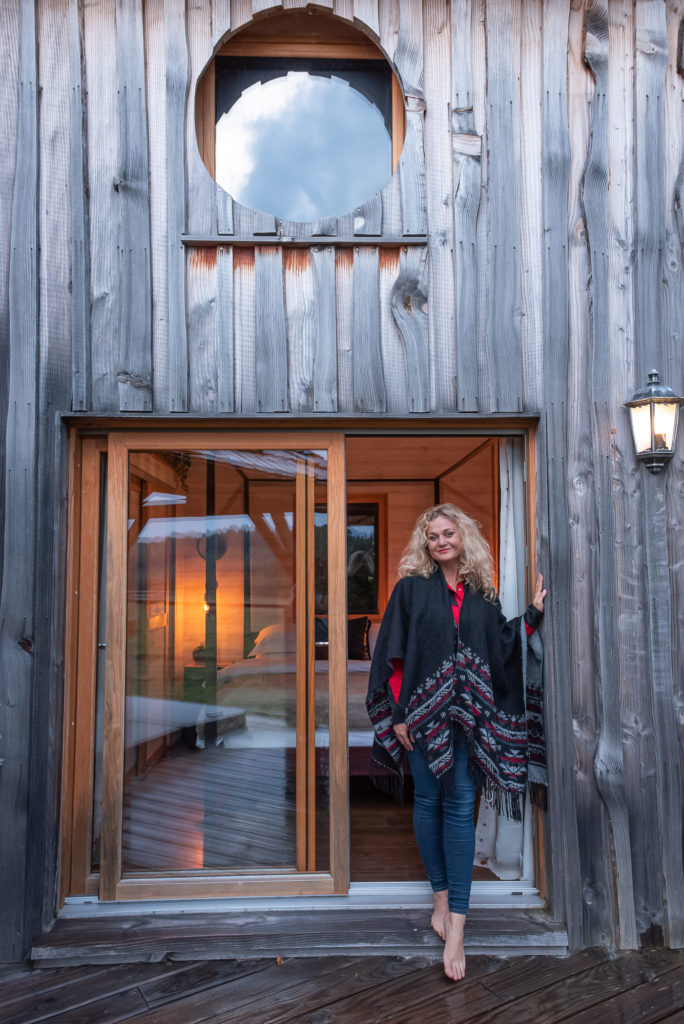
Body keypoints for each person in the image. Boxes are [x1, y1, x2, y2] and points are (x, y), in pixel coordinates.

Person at [366, 503, 547, 981]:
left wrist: (531, 614)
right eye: (432, 536)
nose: (440, 541)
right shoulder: (411, 591)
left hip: (469, 724)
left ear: (463, 537)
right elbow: (395, 654)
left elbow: (501, 647)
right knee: (427, 802)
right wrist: (401, 714)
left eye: (448, 533)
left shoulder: (482, 597)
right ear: (425, 545)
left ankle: (460, 926)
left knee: (461, 804)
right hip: (423, 721)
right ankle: (440, 896)